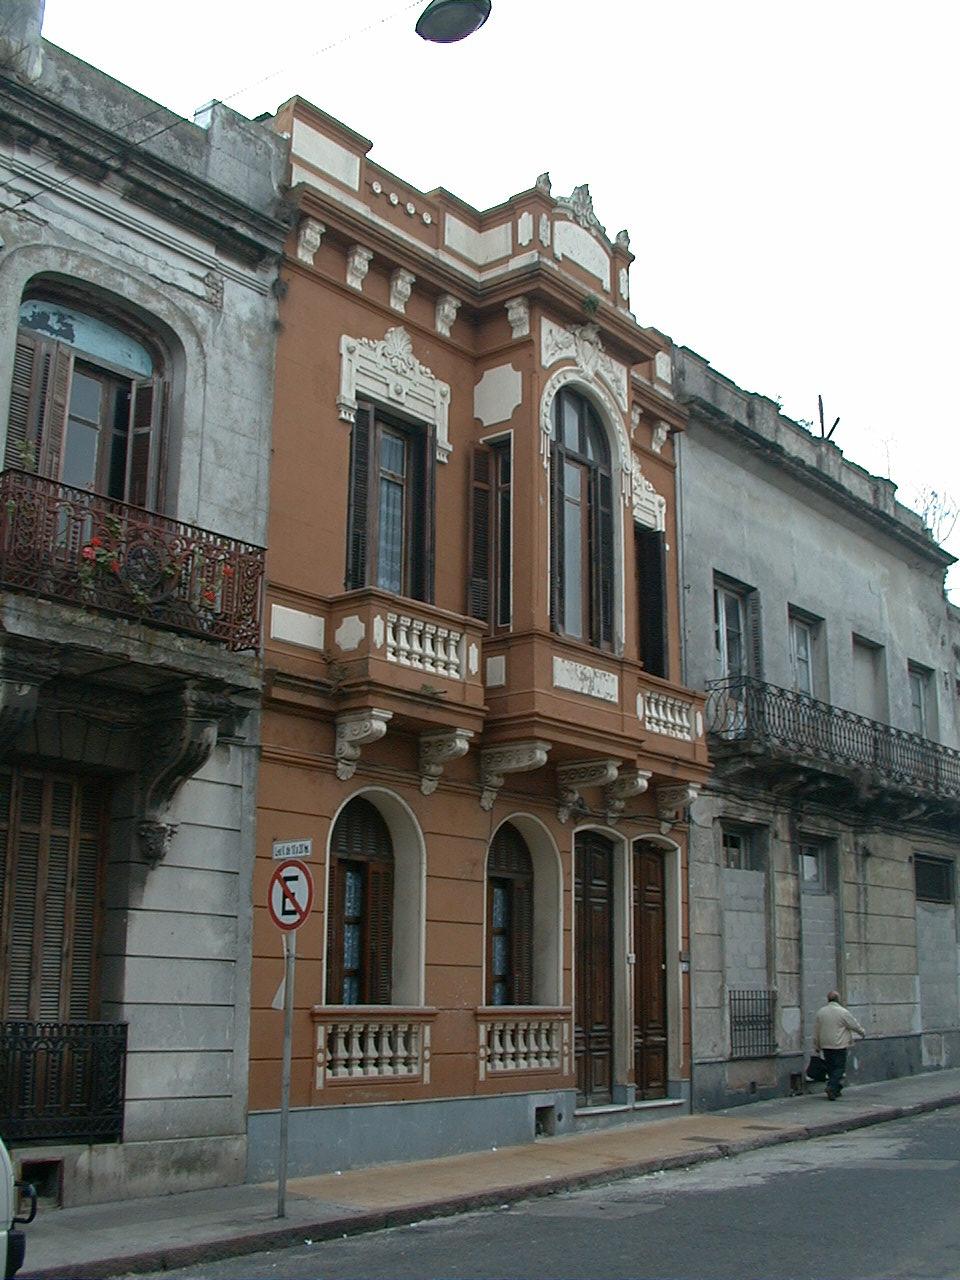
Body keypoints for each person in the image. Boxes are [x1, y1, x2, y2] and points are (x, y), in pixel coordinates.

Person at [813, 990, 866, 1100]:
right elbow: (854, 1025)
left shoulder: (821, 1012)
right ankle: (832, 1087)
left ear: (828, 999)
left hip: (825, 1045)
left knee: (831, 1068)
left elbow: (816, 1030)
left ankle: (836, 1090)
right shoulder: (843, 1012)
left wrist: (816, 1046)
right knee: (839, 1068)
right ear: (838, 999)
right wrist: (862, 1032)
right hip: (839, 1045)